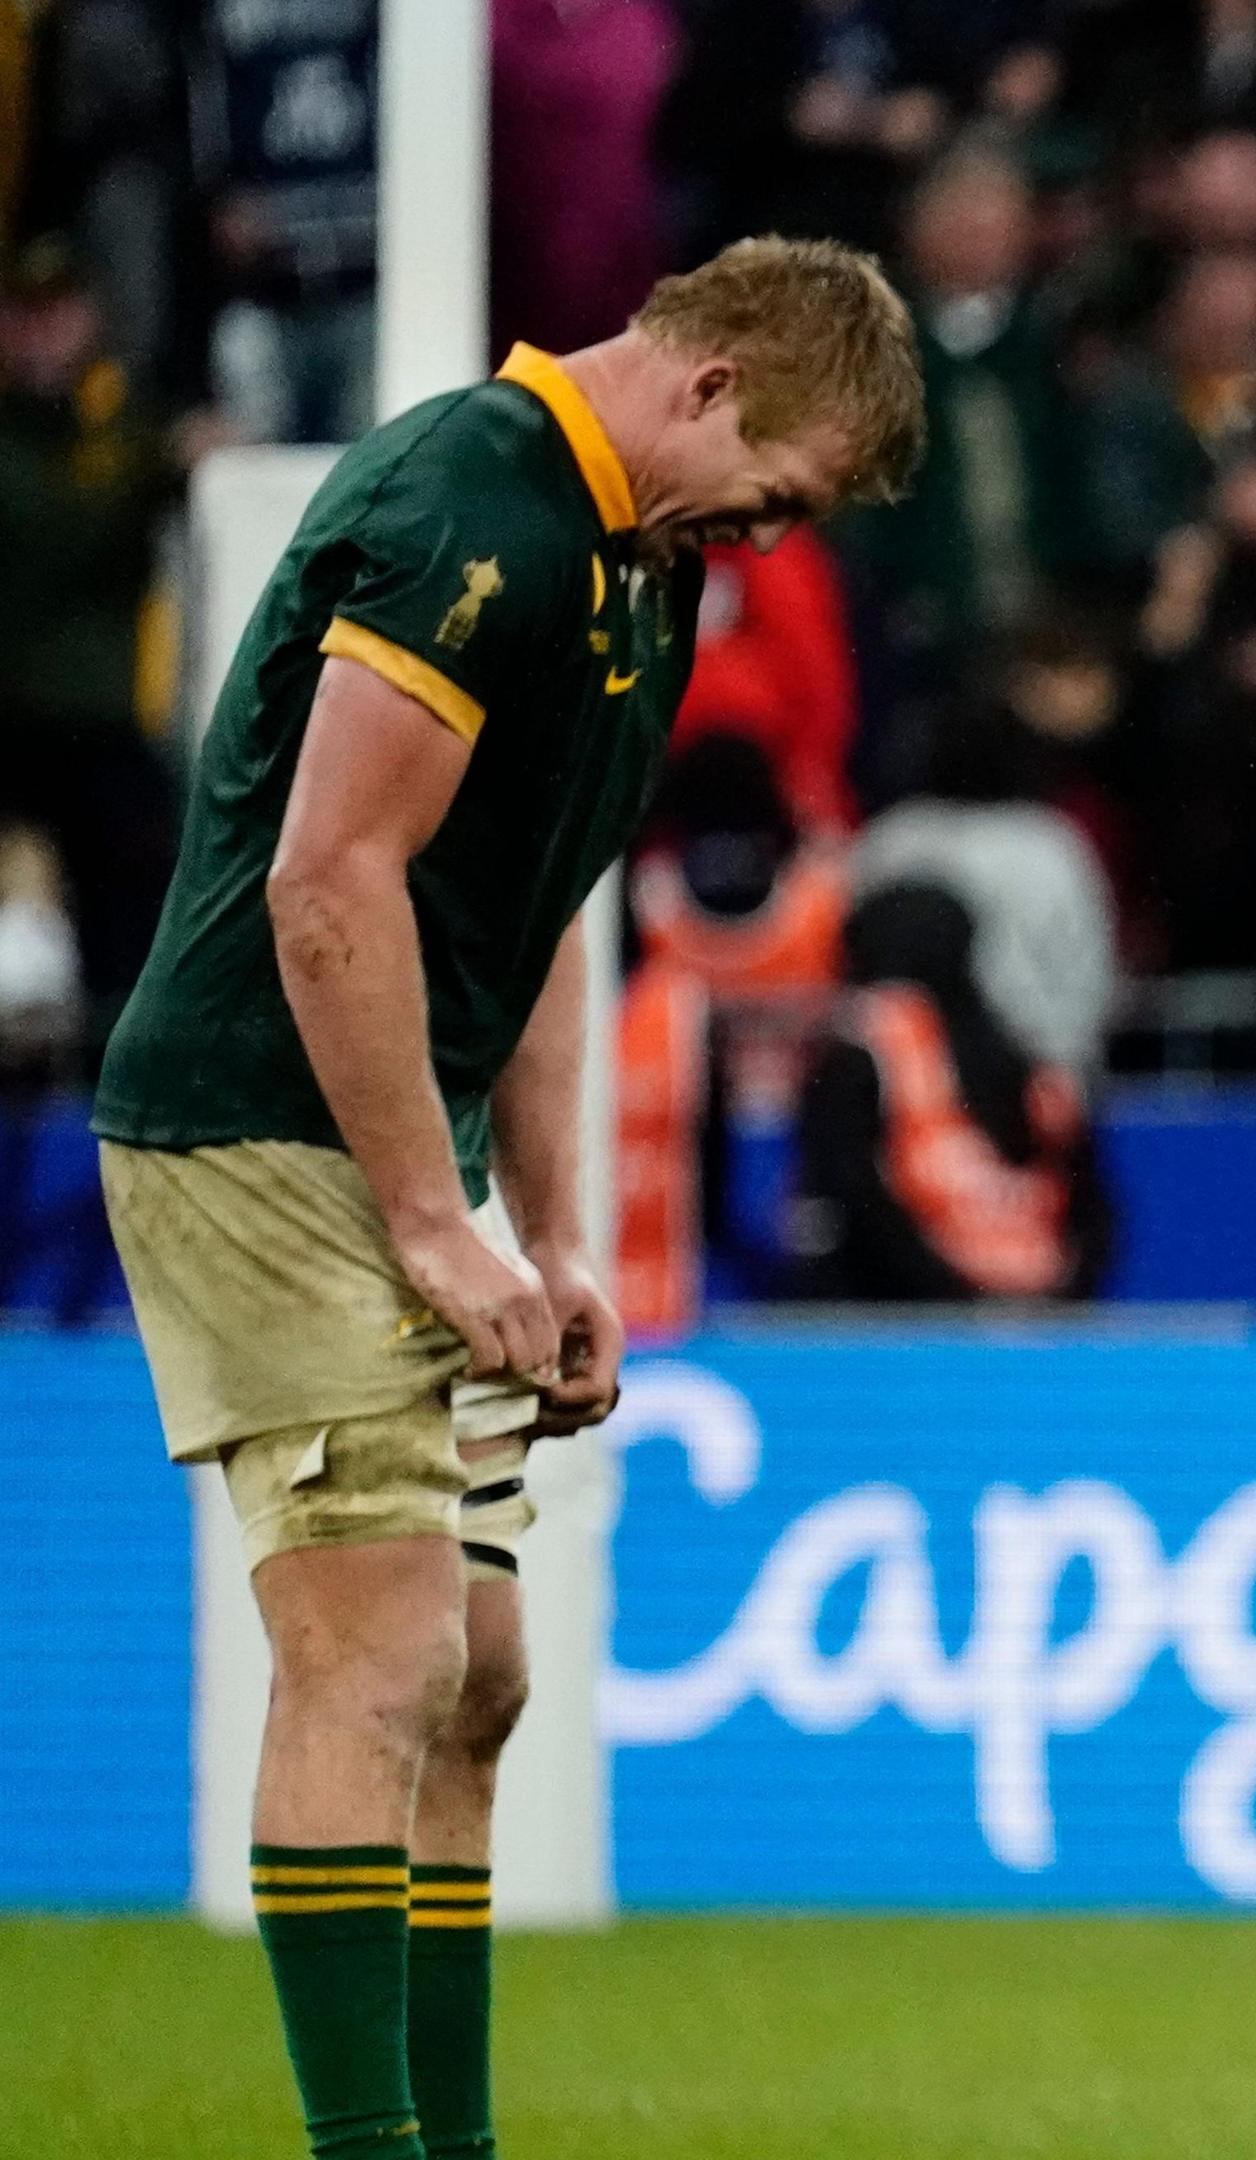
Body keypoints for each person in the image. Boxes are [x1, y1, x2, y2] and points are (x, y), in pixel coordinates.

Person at [87, 238, 921, 2160]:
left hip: (407, 1146)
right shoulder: (470, 505)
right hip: (260, 1130)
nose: (775, 546)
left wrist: (555, 1232)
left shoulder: (644, 565)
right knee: (373, 1662)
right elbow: (329, 884)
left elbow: (539, 909)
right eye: (781, 496)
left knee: (480, 1679)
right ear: (710, 387)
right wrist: (426, 1220)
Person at [784, 880, 1110, 1304]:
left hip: (934, 1315)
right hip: (985, 1307)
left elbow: (847, 1196)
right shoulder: (1016, 1053)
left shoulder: (860, 1052)